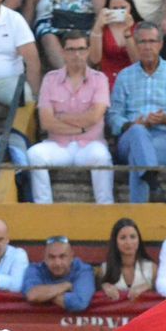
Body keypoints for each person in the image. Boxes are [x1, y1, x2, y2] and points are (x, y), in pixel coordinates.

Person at [107, 22, 166, 204]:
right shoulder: (124, 76)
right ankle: (153, 184)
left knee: (136, 159)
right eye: (142, 42)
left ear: (161, 44)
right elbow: (113, 116)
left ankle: (141, 205)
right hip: (130, 138)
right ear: (136, 45)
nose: (147, 46)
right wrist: (130, 125)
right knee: (138, 132)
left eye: (152, 41)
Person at [28, 30, 113, 203]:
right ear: (63, 52)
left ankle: (106, 208)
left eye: (81, 49)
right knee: (34, 154)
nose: (77, 54)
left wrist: (61, 117)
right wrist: (82, 126)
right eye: (71, 49)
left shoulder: (99, 79)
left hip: (90, 145)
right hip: (58, 146)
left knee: (102, 156)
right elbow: (45, 122)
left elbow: (94, 116)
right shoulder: (50, 79)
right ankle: (44, 208)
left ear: (88, 51)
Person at [23, 235, 95, 312]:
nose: (57, 263)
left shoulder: (83, 270)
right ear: (44, 258)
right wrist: (65, 286)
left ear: (71, 257)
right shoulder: (35, 269)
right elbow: (32, 295)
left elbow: (79, 303)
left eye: (62, 256)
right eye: (51, 257)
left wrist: (44, 296)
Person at [87, 0, 138, 88]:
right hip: (107, 80)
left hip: (132, 79)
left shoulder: (138, 28)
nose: (119, 11)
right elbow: (95, 59)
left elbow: (136, 61)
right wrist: (97, 26)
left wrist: (127, 32)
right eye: (114, 8)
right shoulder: (102, 28)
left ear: (130, 7)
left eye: (123, 8)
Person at [96, 216, 156, 299]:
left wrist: (149, 286)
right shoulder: (105, 269)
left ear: (139, 239)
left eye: (133, 237)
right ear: (115, 242)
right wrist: (104, 287)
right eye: (123, 238)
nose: (128, 242)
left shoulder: (151, 268)